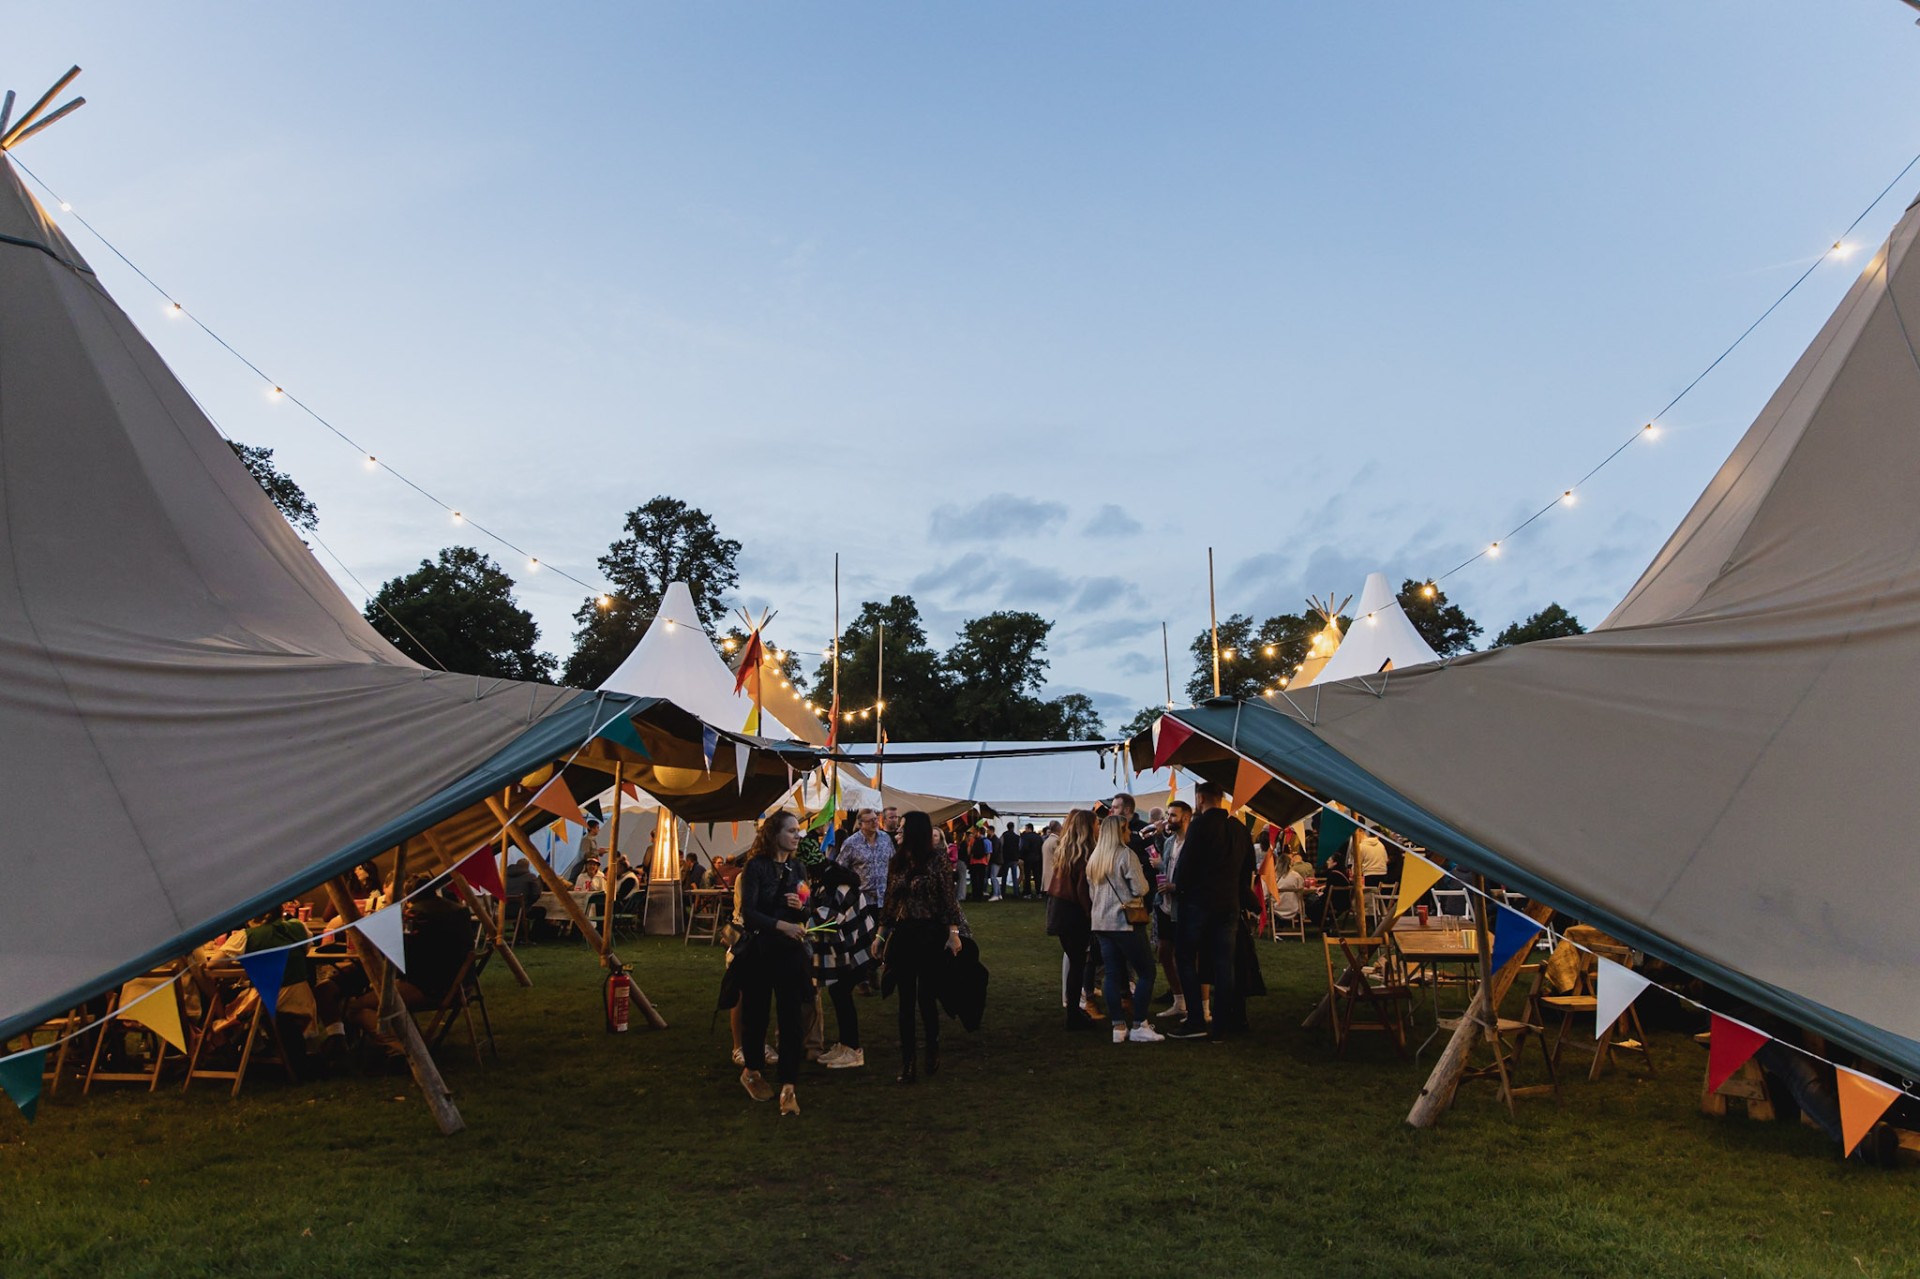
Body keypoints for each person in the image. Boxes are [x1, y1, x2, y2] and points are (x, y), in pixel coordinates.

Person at [736, 812, 811, 1116]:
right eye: (791, 831)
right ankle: (752, 1070)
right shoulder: (756, 866)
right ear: (774, 834)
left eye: (798, 831)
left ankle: (789, 1084)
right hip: (761, 951)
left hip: (789, 953)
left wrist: (801, 907)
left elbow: (807, 906)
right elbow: (749, 913)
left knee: (791, 1017)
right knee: (756, 1015)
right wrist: (782, 925)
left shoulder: (798, 868)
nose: (797, 836)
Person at [1166, 782, 1255, 1040]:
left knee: (1185, 957)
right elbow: (1248, 866)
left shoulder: (1200, 826)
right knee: (1224, 962)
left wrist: (1179, 887)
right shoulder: (1239, 828)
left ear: (1201, 799)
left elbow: (1187, 866)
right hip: (1229, 903)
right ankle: (1222, 1024)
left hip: (1199, 903)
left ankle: (1195, 1018)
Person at [882, 811, 964, 1083]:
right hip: (905, 933)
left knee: (926, 997)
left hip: (929, 934)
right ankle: (908, 1062)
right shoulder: (897, 861)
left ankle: (932, 1046)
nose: (897, 832)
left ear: (915, 831)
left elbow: (948, 900)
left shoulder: (937, 860)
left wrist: (953, 933)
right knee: (905, 1001)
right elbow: (890, 901)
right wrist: (880, 936)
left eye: (902, 828)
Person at [1088, 815, 1163, 1043]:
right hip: (1124, 921)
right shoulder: (1126, 855)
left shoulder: (1095, 858)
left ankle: (1118, 1026)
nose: (1130, 832)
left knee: (1112, 973)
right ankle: (1140, 1023)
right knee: (1147, 971)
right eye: (1126, 828)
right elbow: (1140, 888)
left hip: (1101, 922)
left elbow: (1092, 892)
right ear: (1119, 832)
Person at [1046, 809, 1098, 1030]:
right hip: (1075, 913)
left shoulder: (1066, 851)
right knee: (1078, 965)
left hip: (1060, 910)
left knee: (1075, 962)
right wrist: (1092, 915)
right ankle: (1074, 1014)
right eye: (1096, 825)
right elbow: (1083, 891)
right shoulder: (1085, 855)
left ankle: (1073, 1010)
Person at [1153, 801, 1192, 1022]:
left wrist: (1174, 887)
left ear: (1185, 818)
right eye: (1168, 814)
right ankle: (1178, 1000)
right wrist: (1159, 867)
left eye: (1173, 815)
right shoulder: (1169, 842)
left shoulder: (1192, 844)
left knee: (1184, 956)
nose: (1169, 819)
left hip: (1182, 907)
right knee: (1163, 952)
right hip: (1164, 905)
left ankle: (1193, 1002)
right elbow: (1168, 868)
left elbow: (1196, 877)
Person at [834, 808, 896, 910]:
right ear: (860, 824)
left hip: (884, 899)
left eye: (875, 819)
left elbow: (893, 862)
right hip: (862, 901)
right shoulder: (851, 843)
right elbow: (840, 868)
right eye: (869, 821)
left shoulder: (885, 838)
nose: (874, 823)